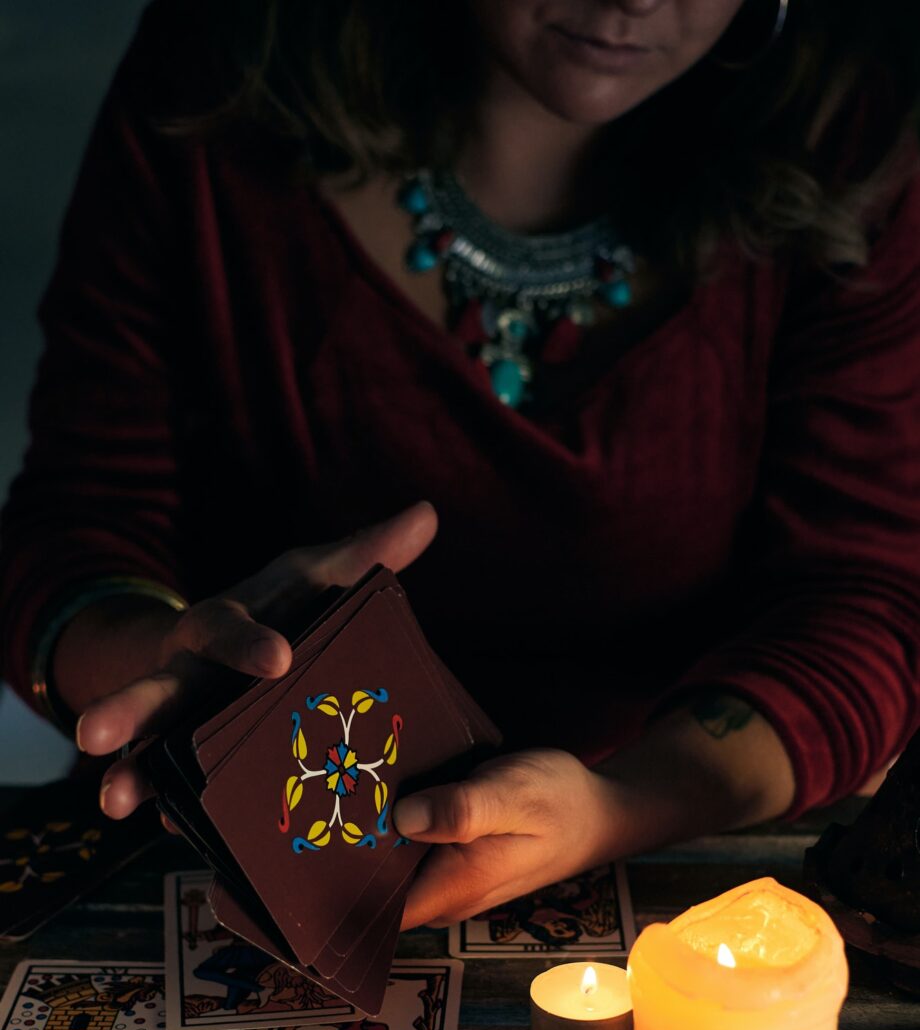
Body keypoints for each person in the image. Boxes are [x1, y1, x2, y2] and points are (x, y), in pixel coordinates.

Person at [2, 0, 919, 930]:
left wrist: (620, 809)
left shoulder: (851, 135)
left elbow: (868, 596)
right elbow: (75, 523)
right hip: (207, 863)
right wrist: (154, 660)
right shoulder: (225, 73)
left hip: (670, 892)